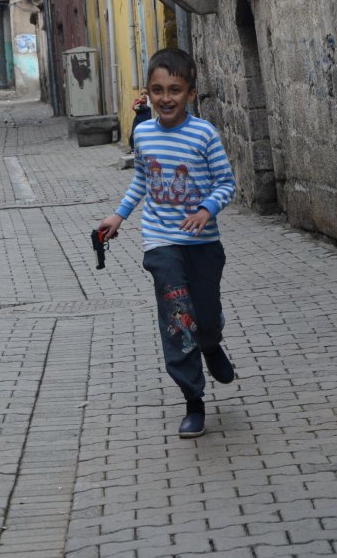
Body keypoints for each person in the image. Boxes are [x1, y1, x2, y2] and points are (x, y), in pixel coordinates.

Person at [98, 48, 236, 439]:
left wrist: (206, 209)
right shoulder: (143, 133)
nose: (166, 98)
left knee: (205, 319)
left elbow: (226, 183)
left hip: (203, 244)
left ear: (191, 93)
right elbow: (142, 179)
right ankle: (193, 400)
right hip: (160, 242)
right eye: (157, 90)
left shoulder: (204, 134)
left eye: (175, 90)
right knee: (178, 319)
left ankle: (211, 343)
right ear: (148, 92)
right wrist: (119, 215)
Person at [128, 87, 152, 152]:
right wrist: (141, 103)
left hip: (147, 124)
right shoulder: (139, 103)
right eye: (142, 94)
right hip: (138, 122)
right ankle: (133, 149)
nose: (144, 95)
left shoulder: (150, 104)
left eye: (146, 93)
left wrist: (148, 103)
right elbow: (134, 107)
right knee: (134, 134)